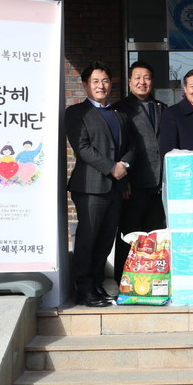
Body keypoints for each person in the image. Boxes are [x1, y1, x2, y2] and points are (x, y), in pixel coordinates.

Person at [66, 61, 135, 307]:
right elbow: (82, 148)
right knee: (88, 238)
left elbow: (131, 146)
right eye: (95, 81)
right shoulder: (76, 112)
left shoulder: (119, 114)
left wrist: (124, 166)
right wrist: (111, 167)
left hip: (115, 187)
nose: (101, 86)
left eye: (105, 81)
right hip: (90, 187)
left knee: (106, 239)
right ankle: (84, 290)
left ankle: (96, 284)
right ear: (85, 85)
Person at [111, 61, 167, 285]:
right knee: (129, 235)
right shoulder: (120, 109)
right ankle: (123, 281)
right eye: (137, 77)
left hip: (159, 184)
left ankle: (152, 281)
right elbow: (118, 149)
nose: (142, 82)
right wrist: (122, 182)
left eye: (147, 78)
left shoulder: (162, 107)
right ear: (129, 81)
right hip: (133, 185)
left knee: (156, 236)